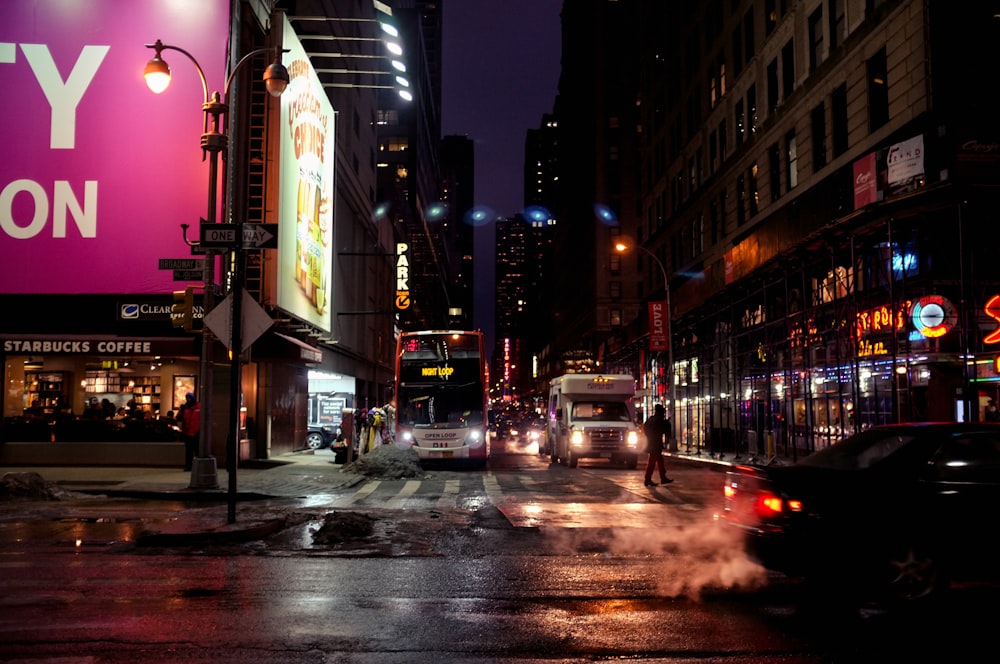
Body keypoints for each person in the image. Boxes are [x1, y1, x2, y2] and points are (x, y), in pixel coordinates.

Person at [642, 403, 673, 487]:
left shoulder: (651, 419)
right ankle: (648, 479)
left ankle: (662, 477)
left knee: (659, 461)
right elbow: (665, 430)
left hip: (652, 443)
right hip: (655, 444)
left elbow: (645, 428)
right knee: (652, 462)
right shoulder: (658, 420)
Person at [178, 392, 201, 471]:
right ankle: (189, 466)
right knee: (189, 451)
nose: (188, 399)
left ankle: (197, 466)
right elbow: (179, 418)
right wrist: (181, 411)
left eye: (189, 398)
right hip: (187, 432)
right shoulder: (185, 408)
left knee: (196, 450)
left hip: (196, 432)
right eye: (187, 398)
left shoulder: (198, 407)